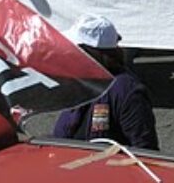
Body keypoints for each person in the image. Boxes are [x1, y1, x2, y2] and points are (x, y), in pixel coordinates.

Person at [52, 14, 159, 149]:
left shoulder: (127, 92)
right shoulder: (77, 83)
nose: (67, 53)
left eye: (74, 49)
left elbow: (146, 151)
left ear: (92, 53)